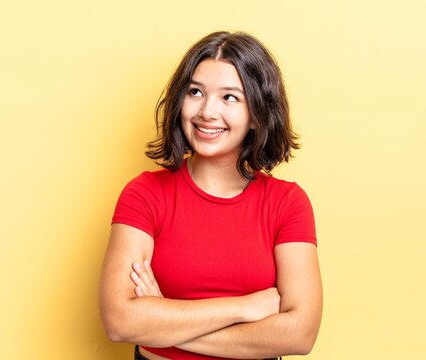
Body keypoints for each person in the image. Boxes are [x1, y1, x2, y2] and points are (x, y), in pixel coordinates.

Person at [99, 31, 322, 360]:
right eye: (195, 92)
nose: (206, 111)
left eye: (229, 97)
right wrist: (244, 308)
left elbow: (299, 335)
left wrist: (161, 320)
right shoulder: (145, 194)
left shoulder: (287, 203)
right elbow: (120, 321)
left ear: (257, 113)